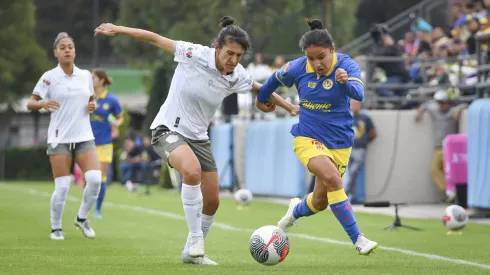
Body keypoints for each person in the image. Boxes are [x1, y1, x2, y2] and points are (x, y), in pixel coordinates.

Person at [94, 16, 297, 265]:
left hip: (199, 138)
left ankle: (191, 255)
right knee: (191, 171)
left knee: (212, 201)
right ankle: (195, 239)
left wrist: (287, 106)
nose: (233, 59)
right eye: (229, 53)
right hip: (167, 129)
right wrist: (118, 29)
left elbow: (259, 88)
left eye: (238, 55)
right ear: (217, 48)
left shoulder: (236, 75)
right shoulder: (193, 53)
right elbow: (155, 39)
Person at [256, 19, 378, 255]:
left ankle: (294, 211)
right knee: (334, 179)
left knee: (320, 202)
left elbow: (359, 94)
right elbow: (268, 86)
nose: (316, 63)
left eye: (321, 57)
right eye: (311, 59)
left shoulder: (346, 65)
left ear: (332, 49)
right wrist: (263, 102)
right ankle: (358, 239)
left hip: (340, 142)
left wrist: (346, 83)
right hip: (308, 137)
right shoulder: (296, 68)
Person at [27, 32, 101, 241]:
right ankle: (56, 228)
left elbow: (91, 100)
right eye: (63, 47)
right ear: (56, 53)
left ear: (75, 51)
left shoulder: (85, 75)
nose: (67, 50)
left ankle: (82, 218)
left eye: (70, 47)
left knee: (95, 180)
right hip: (59, 139)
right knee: (63, 186)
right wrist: (41, 103)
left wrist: (92, 105)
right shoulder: (49, 77)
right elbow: (30, 103)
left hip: (84, 136)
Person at [90, 68, 124, 219]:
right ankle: (88, 204)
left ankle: (98, 209)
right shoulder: (87, 97)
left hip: (104, 143)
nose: (91, 80)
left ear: (101, 80)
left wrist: (116, 123)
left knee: (101, 177)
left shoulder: (111, 100)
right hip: (87, 143)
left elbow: (120, 117)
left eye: (94, 78)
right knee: (89, 178)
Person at [345, 99, 376, 203]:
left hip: (360, 149)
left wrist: (364, 141)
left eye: (356, 104)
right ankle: (354, 198)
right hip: (349, 149)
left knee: (353, 172)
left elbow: (373, 133)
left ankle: (344, 193)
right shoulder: (348, 118)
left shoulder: (365, 118)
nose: (354, 106)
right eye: (352, 104)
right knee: (350, 173)